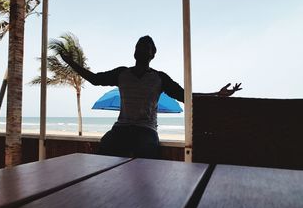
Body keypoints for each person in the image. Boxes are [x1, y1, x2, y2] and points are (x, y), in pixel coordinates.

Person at [60, 35, 242, 159]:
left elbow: (186, 96)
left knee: (147, 159)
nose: (142, 48)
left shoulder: (159, 78)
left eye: (146, 47)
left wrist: (217, 94)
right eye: (140, 46)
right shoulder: (121, 73)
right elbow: (94, 79)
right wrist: (70, 63)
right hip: (121, 129)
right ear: (134, 52)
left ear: (152, 55)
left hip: (146, 131)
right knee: (104, 148)